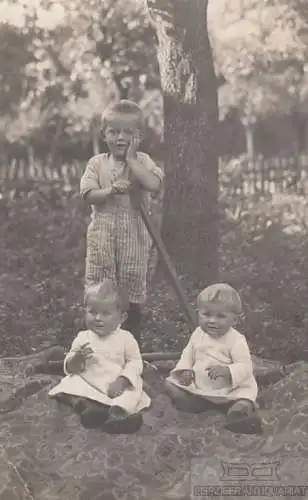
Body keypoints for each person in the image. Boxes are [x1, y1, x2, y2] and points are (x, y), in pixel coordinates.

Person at [80, 99, 164, 345]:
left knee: (131, 288)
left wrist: (131, 159)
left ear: (140, 136)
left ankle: (129, 347)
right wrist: (109, 192)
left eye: (128, 133)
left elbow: (153, 184)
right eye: (114, 132)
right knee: (100, 287)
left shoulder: (144, 161)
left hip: (134, 233)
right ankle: (94, 344)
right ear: (104, 134)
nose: (120, 138)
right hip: (103, 234)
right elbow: (87, 194)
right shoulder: (97, 163)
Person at [49, 280, 151, 433]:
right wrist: (77, 359)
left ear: (122, 318)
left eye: (105, 314)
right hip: (89, 380)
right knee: (71, 383)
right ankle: (86, 407)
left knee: (130, 396)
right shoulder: (83, 337)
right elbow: (70, 367)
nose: (97, 318)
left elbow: (135, 362)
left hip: (115, 384)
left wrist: (123, 380)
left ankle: (121, 418)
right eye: (93, 312)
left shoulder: (126, 338)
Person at [165, 283, 263, 434]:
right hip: (201, 385)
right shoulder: (198, 333)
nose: (212, 320)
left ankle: (239, 414)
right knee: (169, 384)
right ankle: (193, 403)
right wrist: (185, 370)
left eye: (220, 316)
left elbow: (245, 366)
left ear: (234, 320)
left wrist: (228, 371)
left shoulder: (236, 340)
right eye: (206, 314)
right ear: (198, 313)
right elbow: (188, 355)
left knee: (244, 398)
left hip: (230, 390)